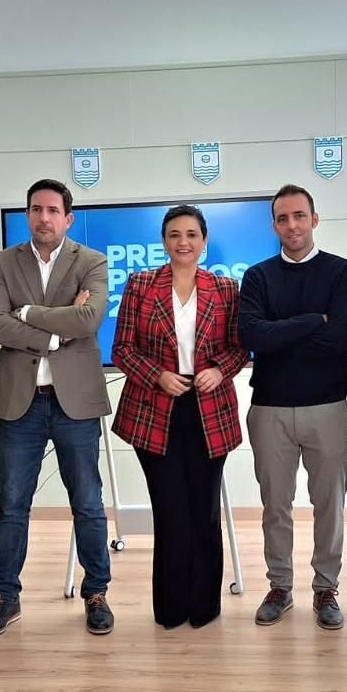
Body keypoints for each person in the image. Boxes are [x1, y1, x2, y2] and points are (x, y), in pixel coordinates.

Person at [0, 178, 115, 638]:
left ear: (67, 218)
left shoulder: (92, 261)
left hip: (74, 401)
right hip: (21, 403)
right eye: (35, 210)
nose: (43, 218)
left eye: (53, 210)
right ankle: (6, 596)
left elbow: (90, 318)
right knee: (12, 505)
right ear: (27, 216)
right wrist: (57, 331)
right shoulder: (2, 262)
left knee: (89, 504)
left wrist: (28, 313)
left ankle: (96, 592)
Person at [111, 205, 249, 629]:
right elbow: (123, 349)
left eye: (191, 234)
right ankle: (170, 608)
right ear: (164, 241)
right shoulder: (139, 285)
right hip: (155, 409)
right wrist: (158, 376)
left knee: (204, 511)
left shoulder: (226, 288)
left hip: (210, 410)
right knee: (170, 511)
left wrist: (217, 370)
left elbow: (240, 348)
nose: (183, 242)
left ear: (204, 241)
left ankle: (204, 607)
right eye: (174, 234)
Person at [239, 184, 347, 630]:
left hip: (327, 406)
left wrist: (282, 333)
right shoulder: (257, 277)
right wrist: (313, 321)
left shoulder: (340, 272)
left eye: (299, 216)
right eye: (283, 218)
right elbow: (254, 337)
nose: (292, 225)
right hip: (269, 408)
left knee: (329, 503)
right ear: (274, 225)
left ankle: (326, 588)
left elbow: (339, 338)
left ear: (314, 219)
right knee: (275, 504)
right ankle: (280, 586)